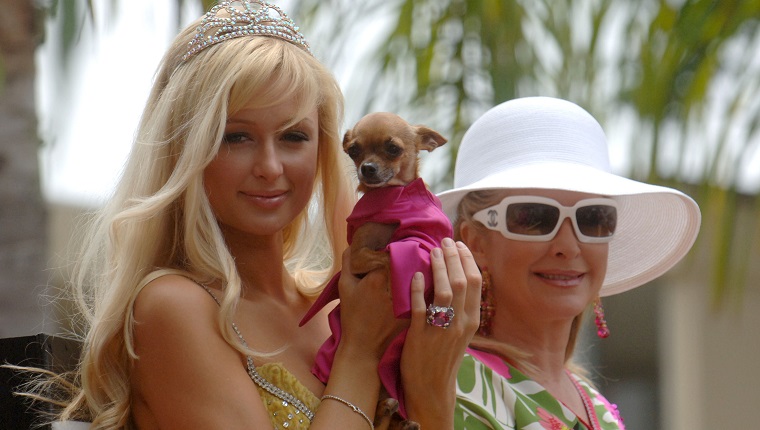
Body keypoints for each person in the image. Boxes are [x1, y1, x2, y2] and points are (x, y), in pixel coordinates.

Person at [35, 1, 481, 428]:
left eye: (293, 137)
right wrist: (361, 354)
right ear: (184, 152)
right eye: (235, 137)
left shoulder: (342, 301)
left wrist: (430, 383)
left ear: (323, 148)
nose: (269, 168)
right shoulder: (175, 307)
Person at [436, 96, 701, 429]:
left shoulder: (594, 403)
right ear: (474, 242)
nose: (568, 246)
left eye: (593, 218)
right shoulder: (454, 384)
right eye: (533, 217)